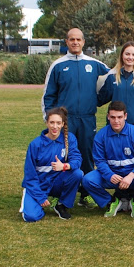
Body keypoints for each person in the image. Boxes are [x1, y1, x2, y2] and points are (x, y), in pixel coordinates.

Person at [42, 27, 109, 208]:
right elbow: (48, 96)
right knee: (63, 156)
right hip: (66, 120)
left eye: (78, 39)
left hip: (87, 118)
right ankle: (59, 192)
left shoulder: (95, 64)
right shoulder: (57, 65)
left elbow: (113, 77)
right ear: (66, 42)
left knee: (87, 155)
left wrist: (99, 100)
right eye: (71, 39)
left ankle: (85, 194)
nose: (75, 42)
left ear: (83, 42)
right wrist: (50, 120)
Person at [82, 101, 134, 218]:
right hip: (112, 175)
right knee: (87, 180)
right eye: (113, 117)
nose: (116, 121)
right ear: (108, 117)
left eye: (119, 117)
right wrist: (110, 175)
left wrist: (132, 175)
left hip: (132, 175)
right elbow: (99, 160)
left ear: (125, 116)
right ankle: (110, 202)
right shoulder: (101, 136)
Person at [20, 107, 83, 222]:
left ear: (63, 124)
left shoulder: (69, 139)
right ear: (46, 123)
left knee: (77, 174)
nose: (55, 126)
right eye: (52, 122)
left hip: (57, 182)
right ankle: (35, 204)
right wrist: (40, 197)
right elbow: (30, 176)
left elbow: (77, 160)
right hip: (39, 184)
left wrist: (64, 166)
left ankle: (61, 204)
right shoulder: (35, 144)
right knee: (31, 217)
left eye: (58, 123)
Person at [98, 41, 134, 133]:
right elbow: (100, 99)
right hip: (115, 126)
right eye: (127, 54)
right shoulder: (112, 76)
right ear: (122, 55)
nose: (130, 57)